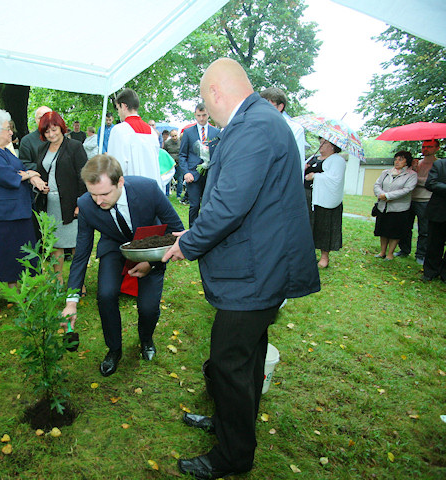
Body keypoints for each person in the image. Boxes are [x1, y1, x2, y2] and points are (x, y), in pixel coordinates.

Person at [162, 58, 320, 480]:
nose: (205, 110)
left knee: (229, 362)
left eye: (203, 100)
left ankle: (233, 455)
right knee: (246, 360)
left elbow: (230, 204)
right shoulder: (260, 120)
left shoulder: (253, 126)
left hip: (255, 272)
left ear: (215, 93)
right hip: (259, 267)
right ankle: (234, 424)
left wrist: (186, 244)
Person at [61, 155, 184, 377]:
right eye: (93, 194)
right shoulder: (86, 205)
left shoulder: (148, 189)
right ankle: (114, 349)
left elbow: (176, 230)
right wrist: (71, 301)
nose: (99, 201)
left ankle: (146, 338)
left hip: (150, 248)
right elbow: (81, 254)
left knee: (148, 307)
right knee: (106, 294)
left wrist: (151, 262)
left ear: (120, 182)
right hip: (114, 247)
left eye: (105, 194)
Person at [0, 109, 47, 313]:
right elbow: (7, 175)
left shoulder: (6, 150)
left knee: (14, 253)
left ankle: (14, 290)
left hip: (15, 212)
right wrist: (30, 174)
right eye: (8, 129)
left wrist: (30, 175)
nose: (11, 133)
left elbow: (19, 170)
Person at [35, 111, 88, 280]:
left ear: (61, 127)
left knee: (75, 245)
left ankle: (78, 283)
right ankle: (57, 281)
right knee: (55, 243)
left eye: (54, 129)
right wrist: (41, 185)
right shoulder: (42, 148)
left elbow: (83, 176)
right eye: (47, 132)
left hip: (71, 204)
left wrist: (81, 203)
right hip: (50, 204)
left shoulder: (74, 147)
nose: (51, 134)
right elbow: (41, 172)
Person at [396, 139, 440, 265]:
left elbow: (431, 183)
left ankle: (421, 254)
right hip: (410, 198)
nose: (425, 149)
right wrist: (413, 171)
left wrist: (416, 179)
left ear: (437, 148)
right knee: (405, 226)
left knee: (424, 229)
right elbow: (407, 180)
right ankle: (404, 249)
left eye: (429, 146)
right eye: (424, 146)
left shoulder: (438, 164)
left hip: (426, 200)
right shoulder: (417, 163)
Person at [306, 138, 347, 268]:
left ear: (333, 146)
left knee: (324, 227)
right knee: (308, 225)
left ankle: (324, 257)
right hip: (308, 197)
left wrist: (315, 176)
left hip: (325, 200)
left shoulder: (337, 160)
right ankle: (308, 253)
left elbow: (335, 179)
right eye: (321, 142)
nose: (321, 145)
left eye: (325, 143)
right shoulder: (313, 158)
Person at [107, 89, 161, 186]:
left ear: (123, 106)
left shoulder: (119, 130)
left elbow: (115, 167)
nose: (118, 113)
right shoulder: (152, 132)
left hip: (131, 188)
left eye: (118, 108)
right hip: (152, 187)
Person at [179, 103, 220, 227]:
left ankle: (208, 229)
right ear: (195, 115)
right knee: (194, 205)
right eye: (199, 116)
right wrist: (186, 172)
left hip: (211, 174)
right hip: (193, 174)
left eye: (204, 115)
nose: (201, 118)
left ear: (208, 114)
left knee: (209, 205)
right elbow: (182, 155)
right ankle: (192, 231)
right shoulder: (188, 132)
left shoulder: (216, 132)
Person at [373, 151, 417, 260]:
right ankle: (382, 251)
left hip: (399, 208)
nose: (397, 161)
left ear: (407, 161)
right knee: (382, 230)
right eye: (396, 159)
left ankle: (390, 253)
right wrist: (380, 194)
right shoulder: (386, 172)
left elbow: (407, 190)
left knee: (394, 232)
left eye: (400, 159)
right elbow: (377, 184)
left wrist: (388, 196)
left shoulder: (411, 175)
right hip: (383, 207)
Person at [260, 87, 306, 166]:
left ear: (280, 107)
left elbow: (298, 163)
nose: (263, 110)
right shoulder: (257, 126)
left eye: (268, 106)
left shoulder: (294, 129)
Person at [422, 154, 446, 282]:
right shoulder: (440, 164)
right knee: (434, 243)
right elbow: (430, 183)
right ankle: (430, 271)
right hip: (439, 211)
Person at [19, 105, 52, 170]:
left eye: (47, 117)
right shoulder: (27, 141)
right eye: (40, 118)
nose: (44, 121)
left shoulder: (62, 139)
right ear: (36, 120)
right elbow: (24, 164)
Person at [164, 130, 182, 199]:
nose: (174, 137)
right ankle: (166, 194)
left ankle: (179, 195)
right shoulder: (167, 143)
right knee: (168, 179)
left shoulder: (181, 142)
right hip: (170, 163)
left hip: (179, 162)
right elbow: (165, 153)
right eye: (172, 136)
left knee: (180, 179)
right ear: (170, 136)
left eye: (175, 135)